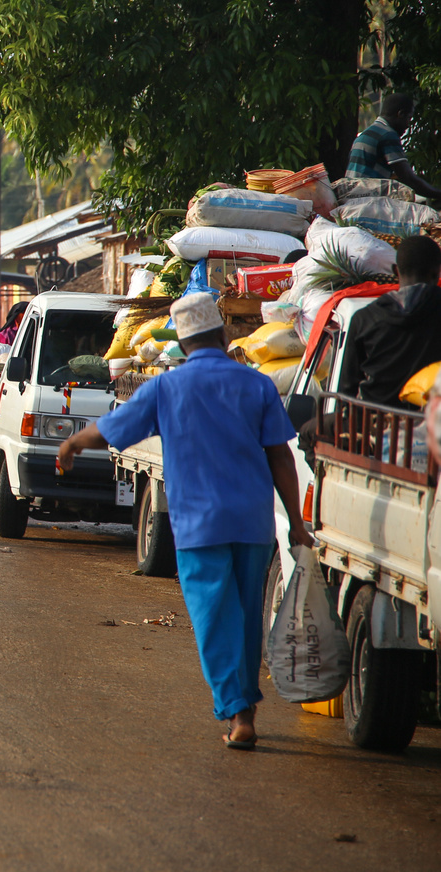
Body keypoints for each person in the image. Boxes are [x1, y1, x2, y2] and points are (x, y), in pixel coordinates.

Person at [57, 293, 310, 751]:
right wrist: (295, 521)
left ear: (182, 341)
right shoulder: (256, 385)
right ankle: (244, 707)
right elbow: (281, 457)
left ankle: (237, 713)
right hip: (253, 523)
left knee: (215, 619)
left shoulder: (165, 388)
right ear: (224, 334)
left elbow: (111, 430)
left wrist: (73, 443)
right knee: (245, 614)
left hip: (199, 524)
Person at [336, 235, 441, 407]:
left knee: (309, 430)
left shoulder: (364, 318)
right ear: (437, 272)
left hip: (376, 424)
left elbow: (346, 391)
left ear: (395, 271)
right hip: (432, 421)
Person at [346, 92, 441, 200]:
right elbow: (408, 178)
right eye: (409, 118)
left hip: (351, 198)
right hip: (367, 200)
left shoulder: (364, 134)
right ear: (400, 114)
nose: (408, 125)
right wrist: (438, 194)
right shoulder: (387, 134)